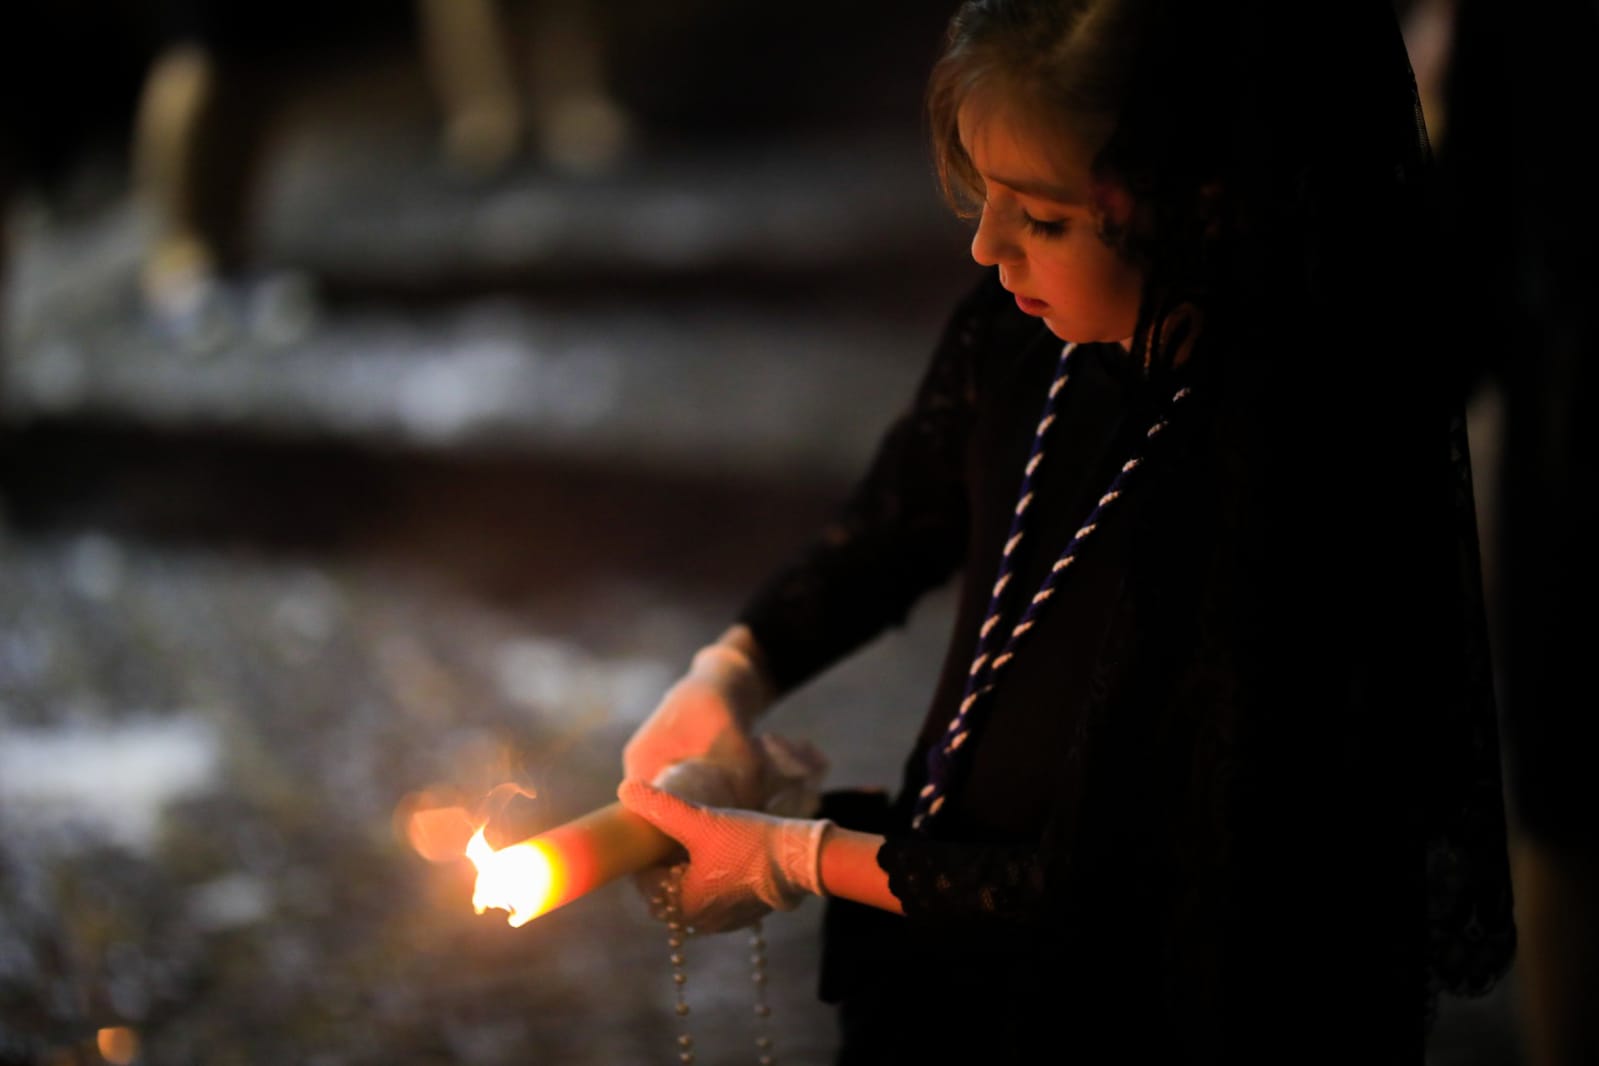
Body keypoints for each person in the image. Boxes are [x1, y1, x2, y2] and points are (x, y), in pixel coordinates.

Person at [619, 0, 1516, 1062]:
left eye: (1041, 219)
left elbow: (1115, 886)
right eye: (983, 197)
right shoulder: (1025, 337)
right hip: (961, 974)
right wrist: (731, 672)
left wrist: (795, 858)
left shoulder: (1284, 477)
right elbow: (900, 516)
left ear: (1203, 207)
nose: (989, 247)